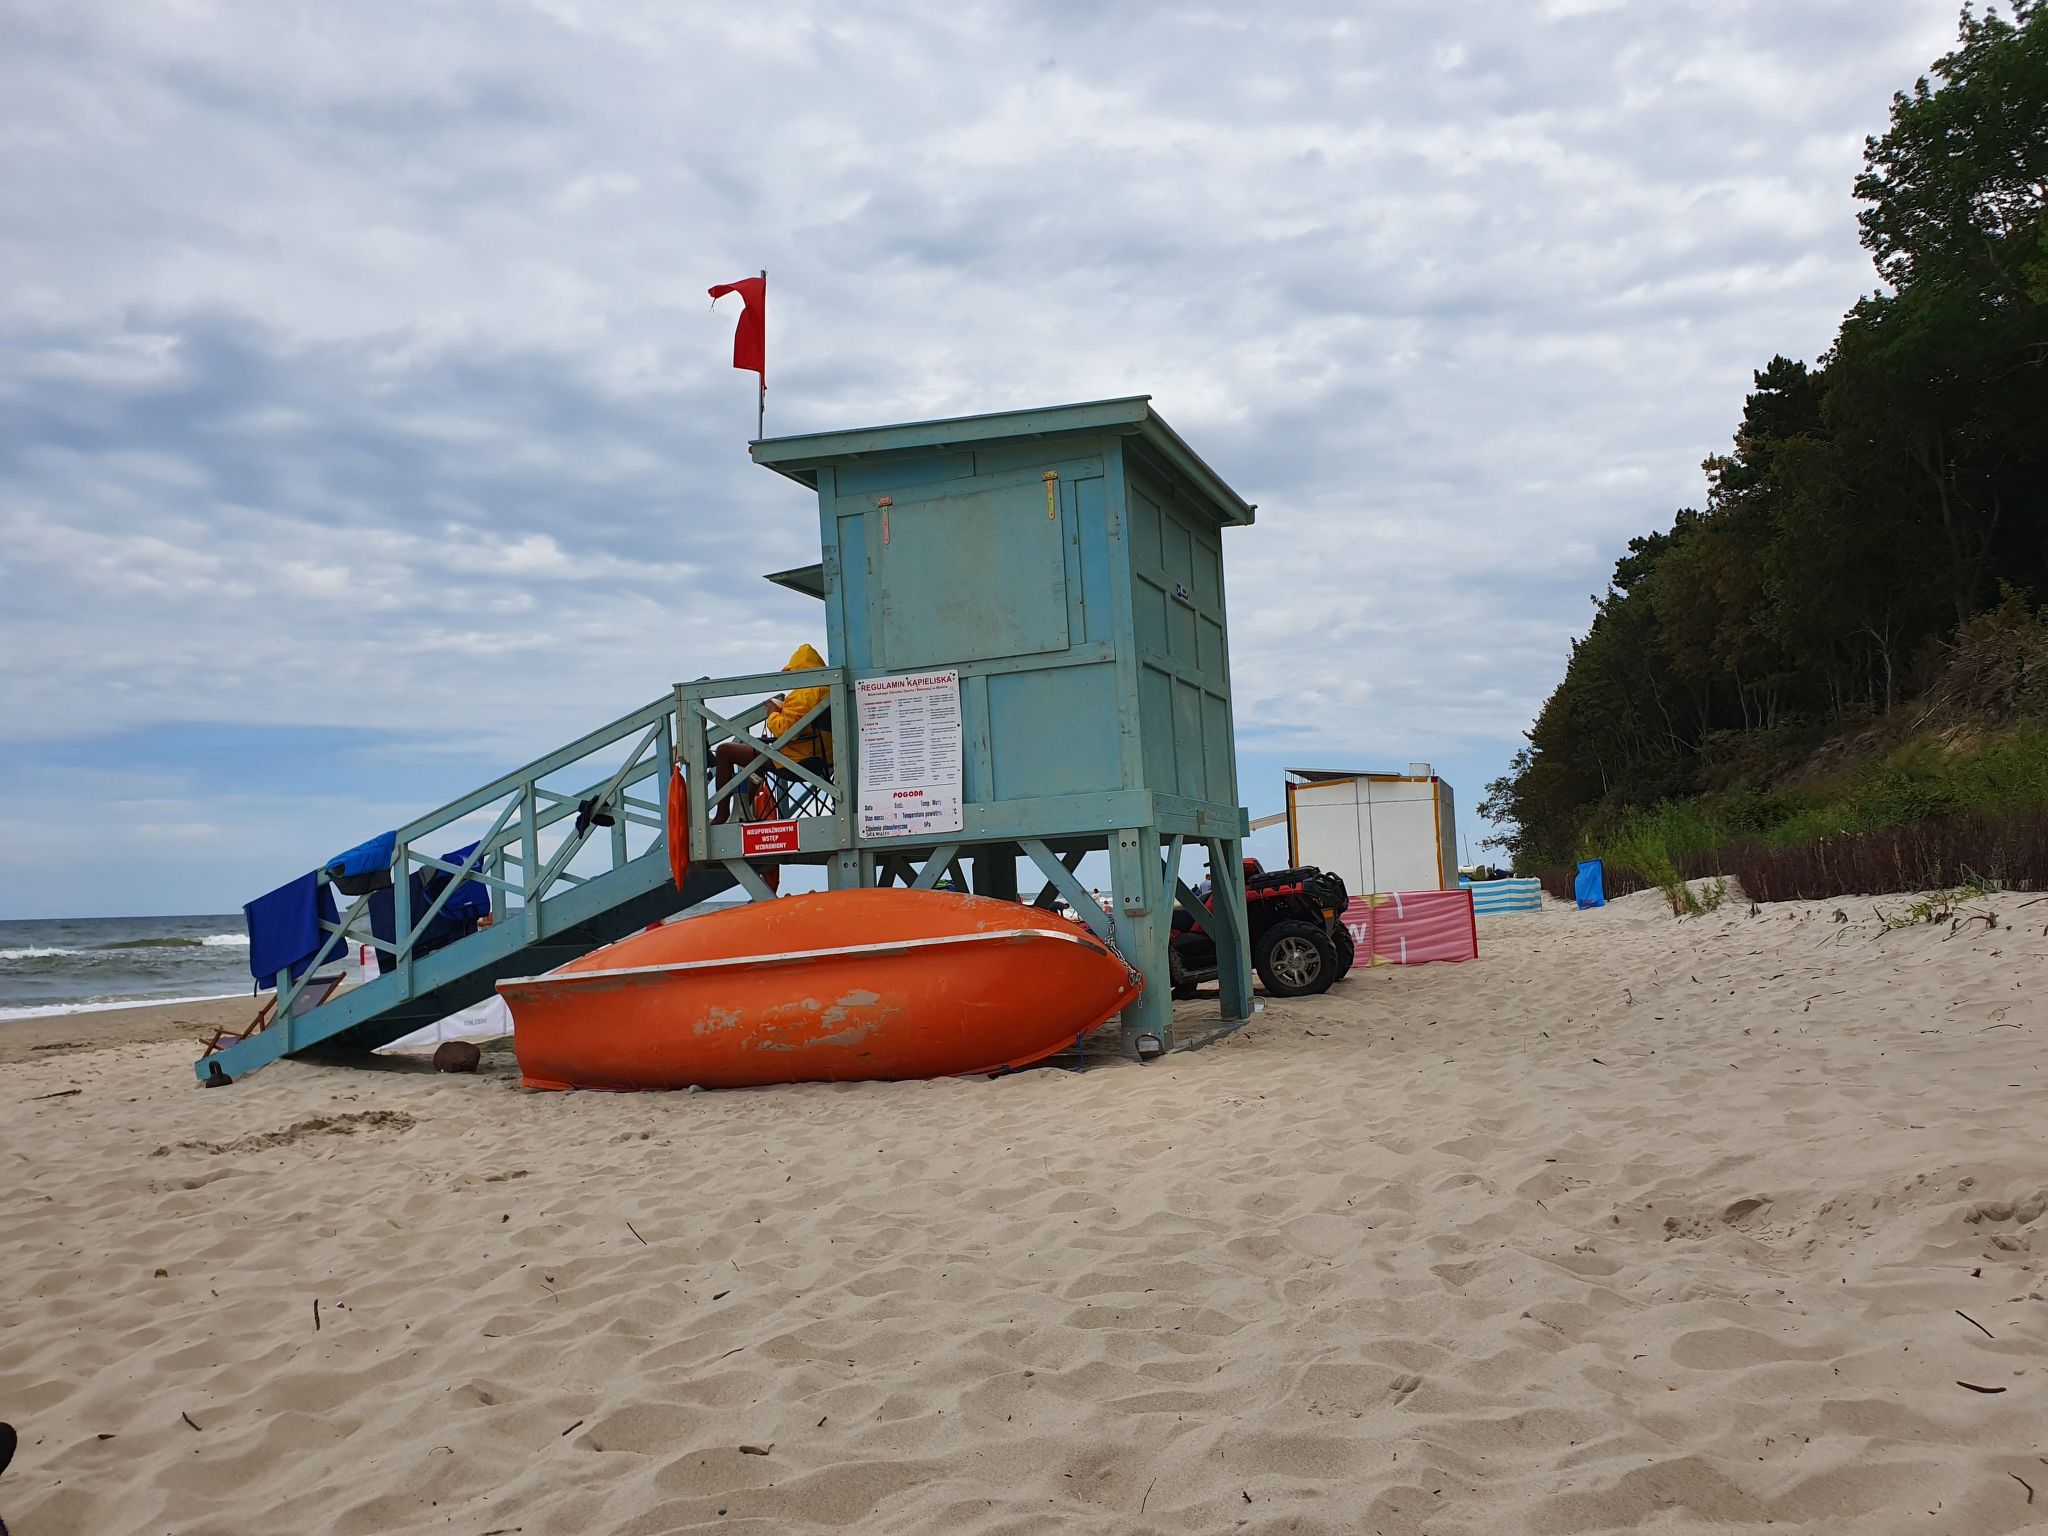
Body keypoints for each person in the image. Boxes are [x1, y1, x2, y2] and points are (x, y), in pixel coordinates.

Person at [712, 643, 833, 823]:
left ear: (799, 670)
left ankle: (723, 815)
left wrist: (773, 713)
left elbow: (785, 731)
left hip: (795, 761)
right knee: (756, 756)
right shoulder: (828, 690)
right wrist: (784, 709)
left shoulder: (804, 692)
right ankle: (742, 811)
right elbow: (803, 719)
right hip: (824, 762)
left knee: (724, 751)